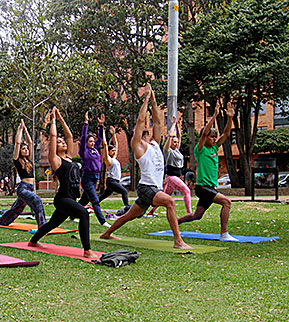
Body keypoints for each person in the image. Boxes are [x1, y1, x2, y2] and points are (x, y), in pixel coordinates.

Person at [100, 84, 191, 250]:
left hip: (152, 188)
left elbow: (157, 121)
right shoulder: (138, 146)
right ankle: (178, 241)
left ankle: (106, 233)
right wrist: (146, 100)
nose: (145, 128)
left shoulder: (155, 144)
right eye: (142, 128)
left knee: (129, 216)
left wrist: (154, 101)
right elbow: (141, 121)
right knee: (170, 202)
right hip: (147, 188)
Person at [28, 107, 96, 258]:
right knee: (84, 214)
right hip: (62, 199)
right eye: (59, 142)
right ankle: (87, 250)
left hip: (70, 199)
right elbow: (53, 136)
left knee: (52, 224)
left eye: (62, 141)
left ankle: (33, 241)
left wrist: (61, 119)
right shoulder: (56, 160)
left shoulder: (69, 158)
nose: (63, 142)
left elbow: (70, 136)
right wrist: (53, 120)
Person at [178, 102, 237, 241]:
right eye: (211, 137)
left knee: (196, 216)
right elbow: (204, 133)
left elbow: (226, 133)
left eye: (214, 137)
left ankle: (176, 222)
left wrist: (229, 118)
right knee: (226, 202)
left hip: (210, 187)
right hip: (202, 187)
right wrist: (215, 115)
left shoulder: (214, 149)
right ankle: (224, 234)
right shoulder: (200, 149)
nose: (213, 139)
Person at [0, 119, 47, 228]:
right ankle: (43, 226)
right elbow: (17, 143)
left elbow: (30, 143)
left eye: (27, 149)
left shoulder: (30, 161)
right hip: (23, 188)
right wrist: (20, 129)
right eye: (23, 149)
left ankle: (2, 222)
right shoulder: (17, 160)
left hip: (30, 187)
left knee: (16, 209)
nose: (26, 150)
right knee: (37, 201)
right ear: (20, 151)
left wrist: (26, 130)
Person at [147, 116, 192, 216]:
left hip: (175, 177)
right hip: (171, 177)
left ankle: (152, 211)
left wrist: (176, 124)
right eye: (174, 142)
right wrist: (172, 126)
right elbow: (169, 137)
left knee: (164, 196)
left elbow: (179, 137)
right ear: (170, 142)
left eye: (176, 142)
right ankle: (189, 213)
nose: (176, 143)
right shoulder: (168, 151)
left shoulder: (177, 150)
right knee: (187, 191)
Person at [77, 112, 110, 227]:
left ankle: (71, 214)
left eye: (93, 141)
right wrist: (86, 123)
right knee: (95, 200)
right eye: (90, 141)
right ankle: (103, 221)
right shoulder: (84, 151)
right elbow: (83, 137)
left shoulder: (95, 149)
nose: (92, 143)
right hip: (87, 178)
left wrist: (101, 126)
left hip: (96, 177)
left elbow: (100, 138)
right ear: (86, 143)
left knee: (84, 200)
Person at [98, 125, 130, 206]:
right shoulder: (108, 159)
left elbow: (117, 145)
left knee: (104, 195)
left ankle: (94, 204)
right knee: (124, 191)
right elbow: (105, 145)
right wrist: (103, 133)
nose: (114, 151)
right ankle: (127, 207)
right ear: (109, 152)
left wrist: (113, 134)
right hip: (111, 181)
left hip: (115, 181)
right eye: (112, 151)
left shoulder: (114, 158)